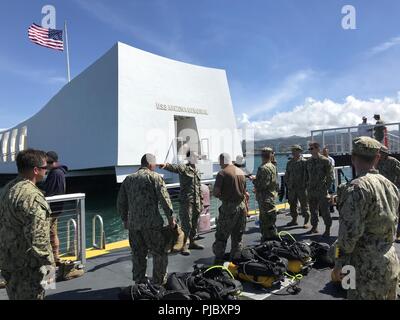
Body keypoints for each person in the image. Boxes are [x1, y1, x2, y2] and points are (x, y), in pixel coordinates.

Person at [332, 136, 399, 300]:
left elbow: (347, 240)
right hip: (390, 264)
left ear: (353, 157)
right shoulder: (391, 186)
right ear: (377, 158)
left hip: (362, 270)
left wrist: (337, 262)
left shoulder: (356, 188)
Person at [0, 149, 54, 300]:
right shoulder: (33, 196)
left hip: (9, 261)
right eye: (45, 167)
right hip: (28, 267)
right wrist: (50, 267)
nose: (47, 170)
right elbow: (39, 240)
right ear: (36, 170)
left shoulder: (8, 188)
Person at [117, 153, 175, 285]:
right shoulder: (155, 177)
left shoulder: (128, 179)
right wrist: (171, 218)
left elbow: (121, 202)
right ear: (150, 164)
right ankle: (158, 283)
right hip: (152, 224)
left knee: (138, 254)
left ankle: (139, 281)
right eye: (154, 164)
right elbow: (165, 200)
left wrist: (125, 219)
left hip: (134, 225)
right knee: (159, 252)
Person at [159, 151, 203, 255]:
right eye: (196, 156)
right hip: (187, 202)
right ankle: (184, 246)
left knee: (195, 222)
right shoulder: (184, 168)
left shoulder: (197, 170)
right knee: (186, 224)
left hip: (196, 202)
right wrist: (165, 166)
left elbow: (198, 186)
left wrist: (201, 201)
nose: (198, 158)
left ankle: (192, 242)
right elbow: (175, 168)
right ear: (190, 158)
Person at [212, 153, 247, 264]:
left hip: (228, 208)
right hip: (241, 207)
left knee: (221, 236)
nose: (219, 164)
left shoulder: (222, 173)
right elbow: (244, 191)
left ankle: (218, 262)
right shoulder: (241, 172)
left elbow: (216, 193)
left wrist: (220, 194)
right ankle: (235, 262)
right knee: (237, 236)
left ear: (223, 160)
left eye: (220, 161)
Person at [42, 151, 68, 267]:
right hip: (56, 209)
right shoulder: (59, 172)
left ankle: (53, 260)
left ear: (50, 162)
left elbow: (51, 192)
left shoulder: (55, 173)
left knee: (49, 234)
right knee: (52, 233)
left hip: (52, 210)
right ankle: (55, 258)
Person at [306, 142, 334, 236]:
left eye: (312, 148)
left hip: (321, 190)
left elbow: (330, 177)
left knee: (324, 210)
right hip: (311, 190)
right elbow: (306, 175)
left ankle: (327, 228)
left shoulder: (325, 161)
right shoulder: (309, 161)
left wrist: (326, 188)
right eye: (309, 149)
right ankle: (314, 227)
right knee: (313, 210)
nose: (310, 150)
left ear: (318, 149)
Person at [251, 147, 278, 241]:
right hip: (271, 195)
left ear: (262, 155)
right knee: (271, 219)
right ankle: (272, 238)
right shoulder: (273, 166)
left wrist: (254, 180)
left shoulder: (263, 168)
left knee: (264, 220)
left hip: (264, 198)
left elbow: (261, 185)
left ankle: (267, 239)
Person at [377, 145, 400, 241]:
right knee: (382, 212)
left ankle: (398, 233)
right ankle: (384, 233)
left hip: (393, 190)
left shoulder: (393, 161)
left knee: (396, 212)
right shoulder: (376, 162)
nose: (380, 155)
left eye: (381, 153)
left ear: (385, 153)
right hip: (380, 190)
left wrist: (397, 186)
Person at [284, 145, 310, 228]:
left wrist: (306, 184)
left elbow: (308, 174)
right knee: (292, 204)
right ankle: (294, 220)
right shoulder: (290, 162)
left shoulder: (304, 162)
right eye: (292, 150)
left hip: (302, 187)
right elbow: (287, 173)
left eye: (295, 150)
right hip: (292, 187)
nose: (293, 152)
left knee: (304, 205)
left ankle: (307, 221)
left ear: (299, 151)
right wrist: (287, 183)